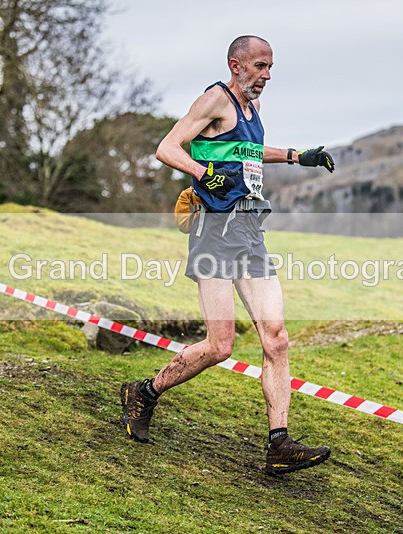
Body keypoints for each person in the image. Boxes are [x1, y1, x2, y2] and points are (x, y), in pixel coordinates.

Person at [120, 35, 336, 475]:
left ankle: (279, 442)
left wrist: (298, 156)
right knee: (220, 345)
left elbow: (248, 153)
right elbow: (167, 147)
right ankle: (145, 391)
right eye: (260, 66)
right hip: (213, 231)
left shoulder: (253, 111)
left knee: (275, 336)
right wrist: (204, 174)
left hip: (249, 232)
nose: (267, 75)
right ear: (236, 65)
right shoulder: (215, 98)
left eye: (271, 67)